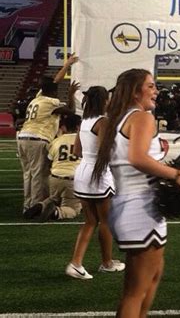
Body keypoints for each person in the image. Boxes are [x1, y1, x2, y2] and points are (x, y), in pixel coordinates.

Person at [92, 69, 180, 317]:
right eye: (150, 86)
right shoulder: (141, 117)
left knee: (154, 273)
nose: (156, 91)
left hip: (130, 204)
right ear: (135, 91)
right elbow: (137, 158)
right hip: (140, 206)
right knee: (134, 291)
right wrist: (175, 175)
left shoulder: (116, 118)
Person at [66, 86, 124, 280]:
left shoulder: (84, 121)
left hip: (83, 172)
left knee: (90, 221)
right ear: (103, 101)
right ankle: (107, 263)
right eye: (107, 99)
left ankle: (76, 263)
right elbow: (103, 152)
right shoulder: (103, 122)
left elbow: (76, 151)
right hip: (97, 175)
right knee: (106, 221)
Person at [17, 54, 79, 217]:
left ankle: (27, 204)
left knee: (28, 174)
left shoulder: (37, 99)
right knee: (38, 175)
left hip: (22, 137)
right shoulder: (51, 102)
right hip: (38, 138)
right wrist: (71, 94)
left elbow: (55, 81)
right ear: (53, 91)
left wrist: (67, 65)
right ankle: (34, 206)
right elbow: (71, 111)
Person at [24, 113, 83, 222]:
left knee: (54, 198)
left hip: (55, 177)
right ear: (78, 126)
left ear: (63, 127)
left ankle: (41, 206)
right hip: (72, 178)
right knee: (74, 208)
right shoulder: (84, 140)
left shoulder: (56, 141)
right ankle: (56, 212)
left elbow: (49, 161)